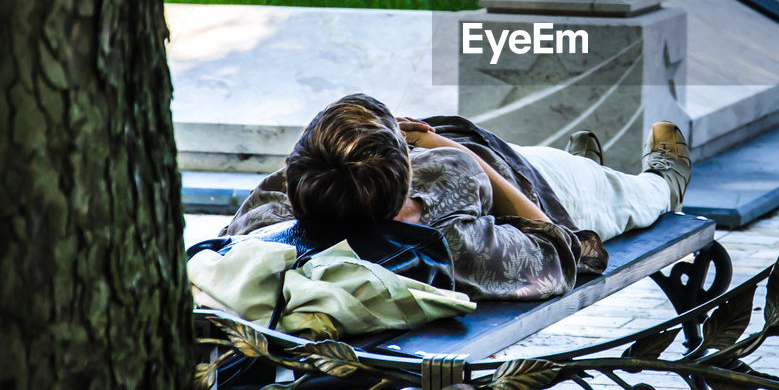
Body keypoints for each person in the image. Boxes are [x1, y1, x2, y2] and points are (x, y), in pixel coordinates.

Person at [221, 94, 692, 302]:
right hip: (531, 186)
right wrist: (449, 148)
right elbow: (564, 249)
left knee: (572, 167)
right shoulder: (448, 239)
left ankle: (584, 163)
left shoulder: (273, 205)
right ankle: (663, 181)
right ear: (403, 177)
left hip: (487, 159)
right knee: (618, 193)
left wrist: (376, 143)